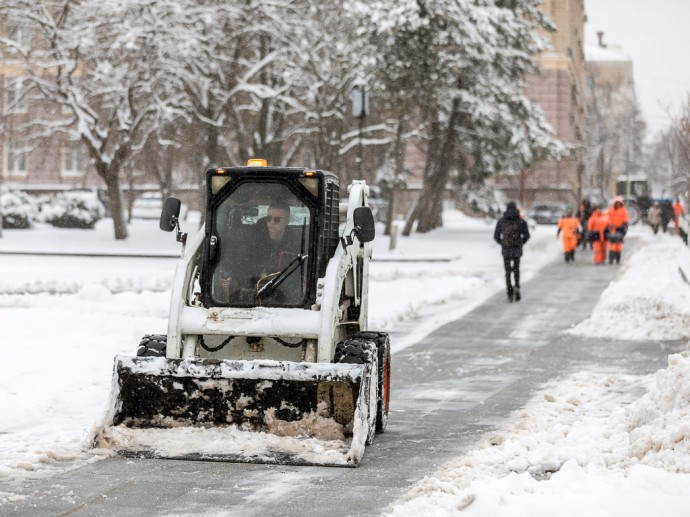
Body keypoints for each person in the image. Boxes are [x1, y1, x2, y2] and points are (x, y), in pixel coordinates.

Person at [219, 199, 303, 304]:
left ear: (287, 220)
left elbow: (297, 277)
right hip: (251, 294)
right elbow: (241, 268)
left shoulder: (297, 244)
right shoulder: (251, 243)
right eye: (269, 218)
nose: (271, 223)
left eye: (277, 219)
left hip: (283, 296)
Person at [494, 201, 530, 302]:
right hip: (517, 249)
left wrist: (502, 243)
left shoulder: (502, 221)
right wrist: (521, 243)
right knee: (516, 270)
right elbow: (527, 236)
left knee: (508, 272)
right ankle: (517, 287)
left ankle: (509, 292)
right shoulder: (521, 221)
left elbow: (496, 236)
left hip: (506, 249)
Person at [606, 197, 629, 265]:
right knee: (612, 246)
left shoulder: (623, 211)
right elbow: (607, 218)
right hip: (612, 230)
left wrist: (624, 228)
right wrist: (609, 225)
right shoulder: (610, 210)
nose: (618, 205)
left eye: (619, 203)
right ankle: (611, 260)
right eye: (617, 203)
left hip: (620, 230)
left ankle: (617, 259)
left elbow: (626, 220)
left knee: (619, 246)